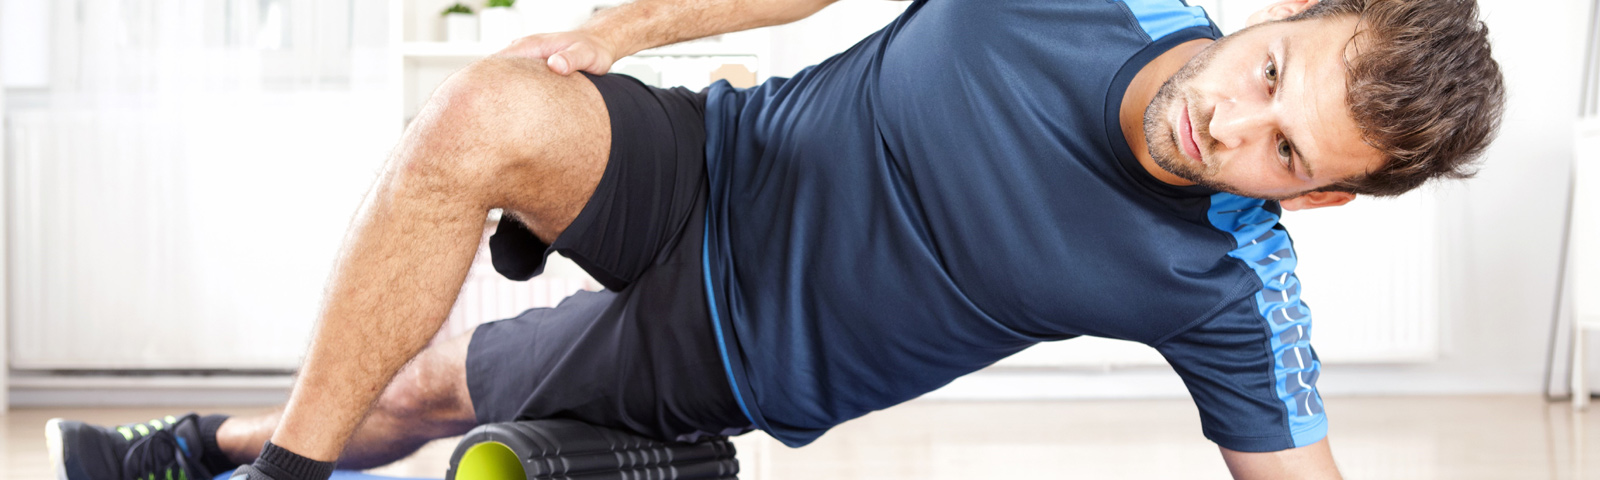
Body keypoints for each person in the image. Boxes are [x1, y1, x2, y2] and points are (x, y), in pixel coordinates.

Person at [47, 0, 1503, 478]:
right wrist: (617, 34)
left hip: (738, 348)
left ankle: (199, 449)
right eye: (1269, 74)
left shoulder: (1231, 285)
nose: (1227, 123)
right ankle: (281, 473)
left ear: (1318, 198)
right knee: (484, 111)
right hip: (718, 160)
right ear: (1284, 13)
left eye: (1284, 151)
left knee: (436, 386)